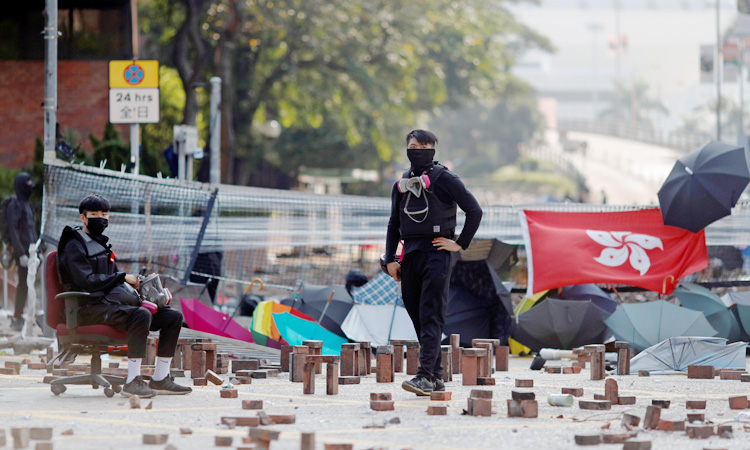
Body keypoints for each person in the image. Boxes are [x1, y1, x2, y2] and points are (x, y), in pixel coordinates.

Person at [57, 194, 191, 398]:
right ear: (83, 218)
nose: (101, 218)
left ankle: (160, 378)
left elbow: (112, 279)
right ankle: (132, 382)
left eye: (105, 214)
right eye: (94, 214)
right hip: (87, 308)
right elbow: (87, 281)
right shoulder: (74, 245)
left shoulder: (100, 244)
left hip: (110, 305)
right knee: (140, 315)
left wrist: (140, 289)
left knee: (172, 317)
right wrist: (122, 277)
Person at [384, 129, 483, 396]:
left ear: (433, 148)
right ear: (406, 149)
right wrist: (390, 259)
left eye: (424, 145)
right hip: (410, 256)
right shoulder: (402, 183)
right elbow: (394, 224)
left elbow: (474, 210)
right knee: (418, 315)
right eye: (413, 145)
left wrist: (459, 243)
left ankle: (425, 376)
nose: (418, 149)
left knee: (430, 314)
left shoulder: (445, 178)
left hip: (437, 254)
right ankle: (436, 375)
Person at [2, 173, 38, 331]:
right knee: (23, 284)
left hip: (31, 251)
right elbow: (13, 230)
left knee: (30, 285)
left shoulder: (28, 205)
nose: (31, 184)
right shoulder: (14, 205)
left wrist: (38, 249)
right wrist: (21, 253)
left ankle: (28, 317)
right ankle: (18, 318)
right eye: (28, 182)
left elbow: (31, 229)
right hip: (22, 252)